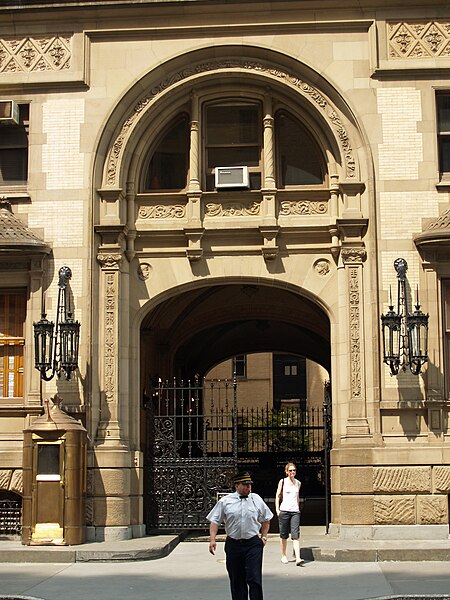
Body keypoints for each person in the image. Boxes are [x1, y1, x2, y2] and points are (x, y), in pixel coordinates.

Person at [207, 471, 273, 600]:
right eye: (245, 485)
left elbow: (266, 519)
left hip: (253, 544)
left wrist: (264, 537)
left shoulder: (256, 499)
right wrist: (212, 539)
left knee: (254, 578)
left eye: (249, 485)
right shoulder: (225, 501)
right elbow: (215, 520)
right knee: (237, 580)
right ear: (236, 486)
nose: (248, 487)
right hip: (233, 544)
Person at [275, 462, 304, 566]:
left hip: (295, 511)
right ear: (286, 472)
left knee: (295, 535)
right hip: (284, 510)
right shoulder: (282, 482)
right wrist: (277, 510)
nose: (292, 472)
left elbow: (297, 496)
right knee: (283, 535)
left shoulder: (298, 483)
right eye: (290, 470)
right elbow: (278, 496)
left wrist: (298, 507)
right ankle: (283, 555)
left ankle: (298, 558)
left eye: (294, 470)